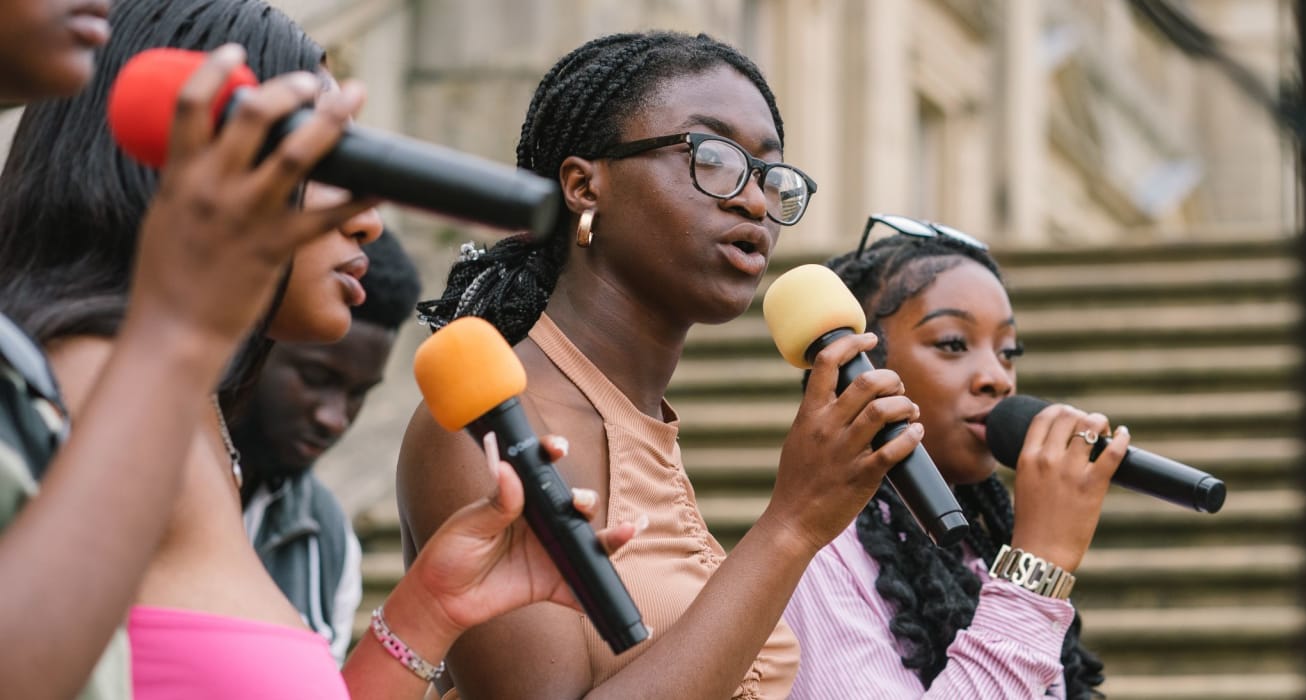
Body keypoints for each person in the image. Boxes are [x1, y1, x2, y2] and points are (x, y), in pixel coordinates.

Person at [0, 1, 635, 697]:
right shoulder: (86, 384)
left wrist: (431, 608)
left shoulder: (194, 411)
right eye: (331, 159)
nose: (368, 221)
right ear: (179, 153)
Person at [399, 31, 916, 699]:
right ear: (586, 186)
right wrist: (791, 525)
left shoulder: (648, 427)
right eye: (713, 158)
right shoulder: (486, 428)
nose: (755, 203)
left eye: (769, 175)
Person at [781, 216, 1128, 699]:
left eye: (1009, 351)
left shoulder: (978, 553)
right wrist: (1036, 570)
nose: (998, 378)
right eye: (952, 344)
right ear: (862, 374)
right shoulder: (817, 564)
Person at [235, 231, 422, 660]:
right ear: (250, 346)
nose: (334, 418)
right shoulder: (143, 485)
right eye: (316, 379)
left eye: (358, 393)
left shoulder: (330, 540)